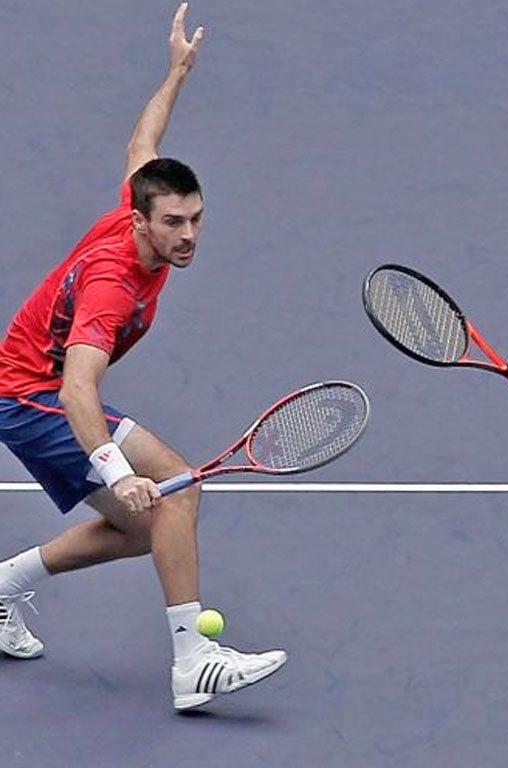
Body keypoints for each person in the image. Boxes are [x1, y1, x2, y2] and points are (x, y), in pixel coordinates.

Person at [0, 3, 286, 711]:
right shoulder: (111, 285)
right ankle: (193, 660)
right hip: (32, 394)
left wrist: (176, 72)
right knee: (175, 490)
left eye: (196, 218)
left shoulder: (137, 206)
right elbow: (75, 390)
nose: (189, 235)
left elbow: (143, 141)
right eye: (174, 223)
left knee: (140, 531)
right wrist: (116, 469)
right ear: (140, 221)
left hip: (20, 389)